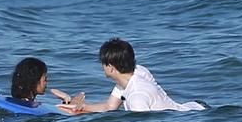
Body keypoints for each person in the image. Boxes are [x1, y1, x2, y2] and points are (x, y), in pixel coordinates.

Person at [58, 38, 204, 115]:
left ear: (110, 67)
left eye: (103, 63)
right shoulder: (135, 73)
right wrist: (81, 107)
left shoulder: (137, 97)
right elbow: (110, 106)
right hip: (192, 108)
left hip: (193, 117)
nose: (101, 66)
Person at [10, 56, 84, 107]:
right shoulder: (32, 106)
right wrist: (67, 100)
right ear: (35, 81)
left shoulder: (16, 102)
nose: (46, 83)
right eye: (45, 79)